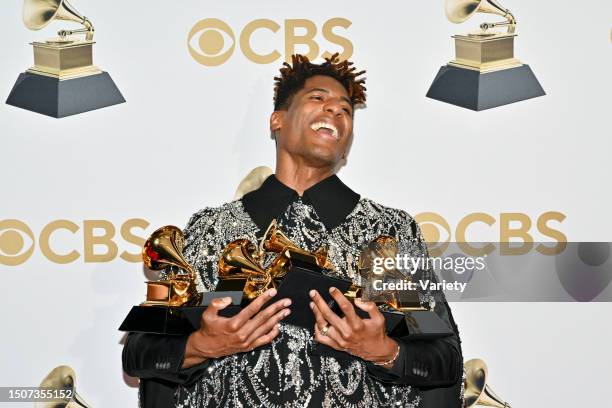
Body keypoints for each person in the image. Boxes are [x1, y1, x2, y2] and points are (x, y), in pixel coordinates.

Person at [123, 54, 463, 408]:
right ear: (277, 121)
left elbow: (442, 357)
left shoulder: (385, 236)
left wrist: (383, 351)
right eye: (318, 98)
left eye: (345, 110)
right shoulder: (209, 230)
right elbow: (140, 352)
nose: (334, 110)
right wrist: (202, 345)